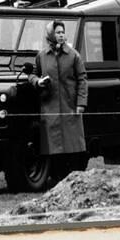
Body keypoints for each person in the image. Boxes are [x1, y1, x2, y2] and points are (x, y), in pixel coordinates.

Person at [28, 20, 88, 180]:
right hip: (50, 108)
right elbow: (33, 74)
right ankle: (56, 180)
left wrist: (81, 103)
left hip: (70, 106)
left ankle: (74, 179)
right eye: (57, 32)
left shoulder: (73, 55)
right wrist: (37, 82)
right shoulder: (42, 56)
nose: (61, 35)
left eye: (63, 32)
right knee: (53, 148)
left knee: (73, 145)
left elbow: (82, 79)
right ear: (50, 35)